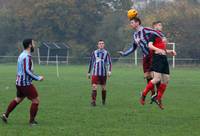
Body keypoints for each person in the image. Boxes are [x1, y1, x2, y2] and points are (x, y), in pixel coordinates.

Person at [1, 39, 44, 125]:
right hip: (25, 83)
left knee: (18, 99)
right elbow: (27, 70)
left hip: (20, 82)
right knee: (36, 101)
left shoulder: (23, 55)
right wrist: (38, 78)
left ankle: (5, 115)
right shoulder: (26, 56)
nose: (34, 45)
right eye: (33, 43)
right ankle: (32, 122)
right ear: (29, 45)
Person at [118, 17, 164, 97]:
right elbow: (134, 47)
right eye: (130, 23)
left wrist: (163, 38)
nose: (131, 24)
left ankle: (158, 94)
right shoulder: (135, 35)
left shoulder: (145, 30)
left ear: (137, 23)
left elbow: (156, 32)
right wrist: (125, 54)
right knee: (147, 76)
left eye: (132, 22)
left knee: (154, 75)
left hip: (152, 55)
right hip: (145, 57)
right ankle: (153, 93)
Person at [140, 21, 176, 109]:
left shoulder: (161, 36)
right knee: (157, 79)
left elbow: (162, 49)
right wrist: (158, 50)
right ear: (154, 26)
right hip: (157, 58)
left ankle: (158, 98)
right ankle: (143, 94)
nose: (161, 26)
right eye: (159, 25)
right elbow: (150, 46)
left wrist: (169, 51)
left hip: (164, 58)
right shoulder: (153, 34)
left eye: (161, 24)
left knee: (166, 79)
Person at [88, 40, 112, 106]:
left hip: (103, 73)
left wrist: (109, 71)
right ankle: (93, 101)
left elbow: (109, 63)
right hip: (95, 73)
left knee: (103, 88)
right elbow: (91, 62)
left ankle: (103, 101)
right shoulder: (94, 53)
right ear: (98, 45)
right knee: (94, 86)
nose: (101, 44)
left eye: (102, 43)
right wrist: (89, 72)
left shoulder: (106, 53)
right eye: (100, 44)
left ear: (104, 45)